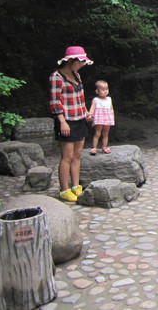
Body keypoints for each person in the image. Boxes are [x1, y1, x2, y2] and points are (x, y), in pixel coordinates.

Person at [50, 46, 93, 202]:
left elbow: (80, 97)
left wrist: (86, 112)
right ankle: (64, 190)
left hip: (79, 119)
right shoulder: (57, 77)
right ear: (70, 61)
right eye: (79, 62)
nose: (81, 65)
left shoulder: (77, 75)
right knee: (67, 156)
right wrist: (62, 122)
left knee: (77, 156)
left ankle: (76, 186)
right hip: (67, 121)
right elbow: (55, 101)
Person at [89, 80, 114, 155]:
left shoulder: (109, 99)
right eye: (103, 90)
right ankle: (94, 148)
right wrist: (90, 114)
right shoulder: (96, 100)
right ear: (97, 91)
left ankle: (104, 147)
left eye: (106, 89)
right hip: (99, 118)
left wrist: (112, 117)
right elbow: (92, 108)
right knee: (97, 133)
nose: (105, 91)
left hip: (107, 118)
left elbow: (111, 108)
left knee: (105, 133)